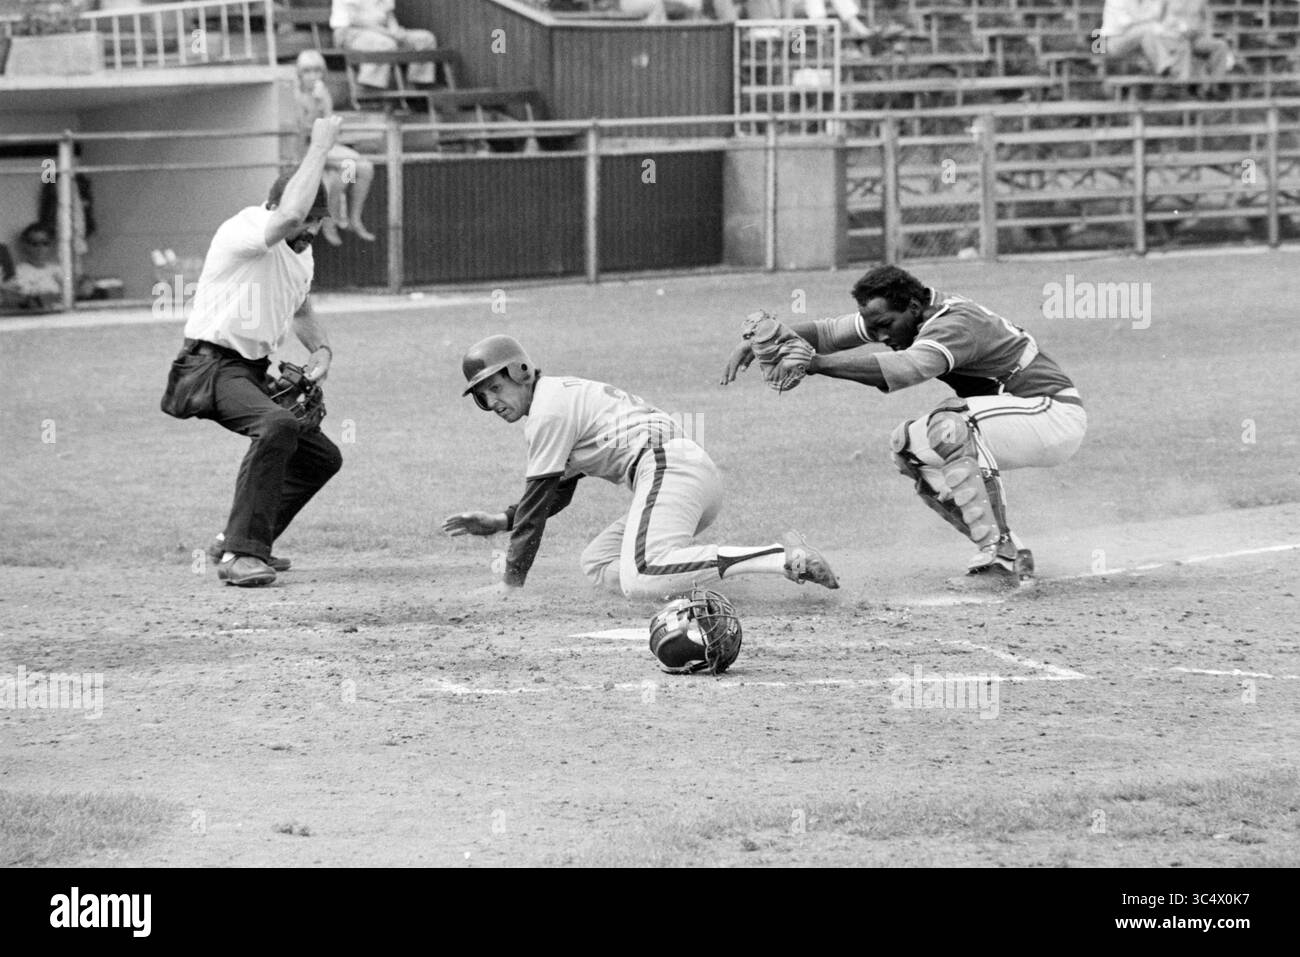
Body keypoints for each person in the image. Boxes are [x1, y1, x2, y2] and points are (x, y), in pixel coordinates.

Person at [721, 264, 1087, 587]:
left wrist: (817, 365)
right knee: (908, 448)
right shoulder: (908, 312)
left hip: (1050, 412)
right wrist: (768, 341)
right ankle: (1010, 552)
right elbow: (831, 333)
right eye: (873, 326)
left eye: (885, 326)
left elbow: (907, 369)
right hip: (1017, 416)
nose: (880, 336)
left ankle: (1000, 558)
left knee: (950, 424)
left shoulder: (955, 323)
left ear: (913, 307)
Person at [442, 335, 839, 599]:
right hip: (680, 475)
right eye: (482, 396)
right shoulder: (555, 398)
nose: (492, 402)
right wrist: (499, 520)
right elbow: (556, 493)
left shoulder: (547, 411)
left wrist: (511, 582)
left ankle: (780, 556)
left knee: (642, 574)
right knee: (598, 564)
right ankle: (700, 595)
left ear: (520, 372)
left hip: (667, 469)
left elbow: (537, 502)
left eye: (495, 387)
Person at [177, 116, 345, 587]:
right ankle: (239, 557)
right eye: (309, 216)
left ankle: (239, 539)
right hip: (208, 366)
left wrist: (323, 351)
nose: (311, 227)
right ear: (279, 203)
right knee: (276, 425)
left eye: (318, 219)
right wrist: (319, 147)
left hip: (250, 370)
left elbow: (303, 310)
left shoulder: (301, 253)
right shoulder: (248, 227)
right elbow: (289, 217)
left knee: (321, 457)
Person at [294, 50, 376, 245]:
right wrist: (317, 103)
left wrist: (324, 102)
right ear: (299, 74)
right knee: (350, 166)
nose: (313, 76)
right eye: (307, 71)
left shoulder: (322, 92)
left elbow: (330, 123)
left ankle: (354, 217)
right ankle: (332, 220)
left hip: (326, 146)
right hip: (306, 149)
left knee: (363, 168)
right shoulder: (295, 95)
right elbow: (304, 130)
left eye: (317, 70)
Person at [331, 0, 438, 89]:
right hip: (351, 32)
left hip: (384, 32)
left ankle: (418, 86)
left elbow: (389, 16)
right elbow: (356, 21)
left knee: (426, 39)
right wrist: (389, 33)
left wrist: (396, 30)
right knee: (385, 44)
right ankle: (370, 88)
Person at [1097, 0, 1186, 76]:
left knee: (1174, 37)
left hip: (1140, 43)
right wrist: (1150, 22)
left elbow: (1157, 18)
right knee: (1148, 30)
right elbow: (1125, 23)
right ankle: (1164, 67)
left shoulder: (1147, 2)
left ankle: (1176, 72)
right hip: (1114, 41)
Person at [1162, 0, 1234, 81]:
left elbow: (1205, 21)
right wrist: (1178, 29)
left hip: (1196, 38)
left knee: (1221, 46)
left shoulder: (1200, 2)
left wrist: (1197, 31)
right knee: (1183, 43)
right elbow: (1164, 20)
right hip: (1174, 37)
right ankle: (1181, 83)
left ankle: (1215, 85)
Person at [1, 223, 63, 311]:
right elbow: (22, 300)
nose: (40, 247)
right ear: (25, 245)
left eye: (45, 243)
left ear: (51, 245)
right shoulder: (17, 272)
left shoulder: (59, 270)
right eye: (34, 243)